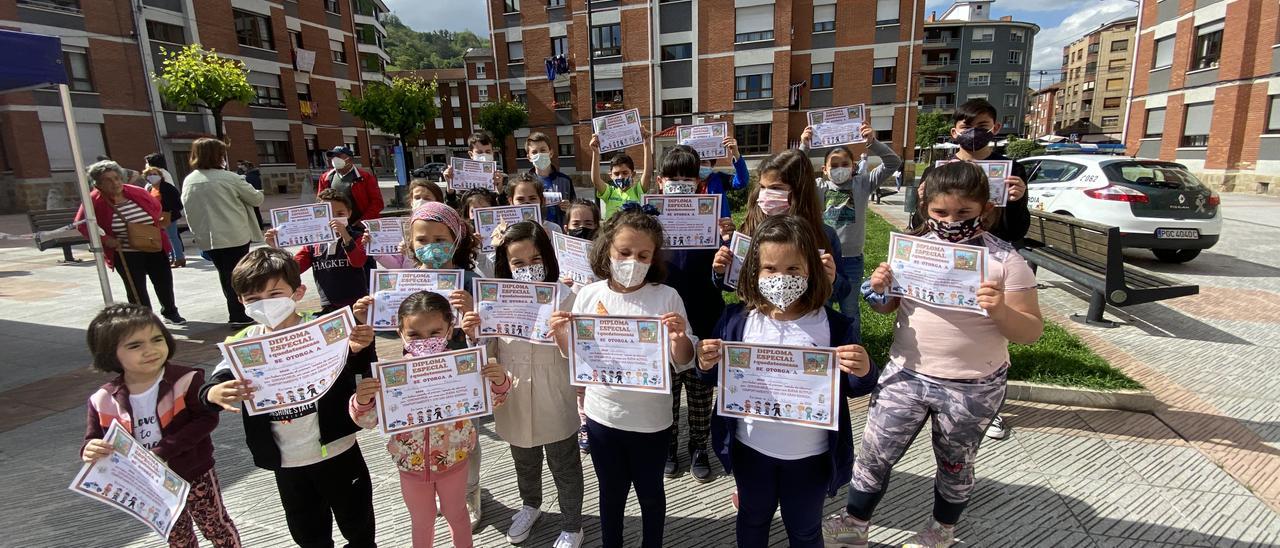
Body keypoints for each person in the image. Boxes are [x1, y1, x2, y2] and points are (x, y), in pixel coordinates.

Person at [822, 161, 1043, 548]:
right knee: (875, 452)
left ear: (985, 210)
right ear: (927, 209)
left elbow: (1031, 331)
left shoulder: (1006, 261)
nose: (951, 221)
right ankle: (855, 522)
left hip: (973, 385)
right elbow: (888, 308)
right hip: (906, 373)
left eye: (964, 213)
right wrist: (881, 288)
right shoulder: (913, 250)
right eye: (940, 212)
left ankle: (941, 532)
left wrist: (1000, 310)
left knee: (954, 463)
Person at [695, 215, 877, 548]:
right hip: (752, 450)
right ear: (753, 272)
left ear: (811, 269)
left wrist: (864, 369)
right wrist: (705, 362)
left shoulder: (833, 325)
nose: (782, 278)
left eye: (793, 269)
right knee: (752, 520)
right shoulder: (737, 320)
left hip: (810, 458)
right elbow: (712, 375)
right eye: (770, 269)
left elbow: (855, 387)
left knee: (805, 530)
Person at [199, 248, 378, 548]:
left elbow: (356, 365)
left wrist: (359, 348)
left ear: (298, 292)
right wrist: (214, 392)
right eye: (253, 298)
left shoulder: (323, 326)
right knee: (307, 530)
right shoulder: (242, 344)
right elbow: (215, 382)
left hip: (338, 449)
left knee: (358, 523)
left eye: (274, 294)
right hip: (286, 460)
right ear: (240, 301)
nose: (264, 304)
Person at [549, 209, 697, 548]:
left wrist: (678, 340)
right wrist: (560, 334)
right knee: (610, 494)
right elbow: (576, 354)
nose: (633, 261)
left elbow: (684, 360)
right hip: (604, 417)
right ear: (607, 252)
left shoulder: (666, 297)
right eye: (624, 253)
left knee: (651, 494)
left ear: (654, 257)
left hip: (652, 421)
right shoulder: (589, 294)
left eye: (644, 255)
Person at [909, 98, 1030, 441]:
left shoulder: (1009, 168)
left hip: (988, 263)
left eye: (982, 125)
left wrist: (1019, 199)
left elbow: (1018, 228)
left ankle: (987, 407)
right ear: (954, 132)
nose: (974, 133)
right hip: (943, 263)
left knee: (989, 330)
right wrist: (921, 202)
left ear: (995, 128)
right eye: (966, 126)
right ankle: (931, 396)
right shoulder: (939, 169)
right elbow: (924, 223)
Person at [351, 291, 511, 548]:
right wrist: (363, 400)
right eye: (414, 334)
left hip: (454, 461)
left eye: (435, 332)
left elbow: (493, 400)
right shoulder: (392, 376)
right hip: (410, 466)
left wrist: (500, 382)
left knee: (456, 513)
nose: (424, 341)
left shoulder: (465, 368)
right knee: (421, 520)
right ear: (401, 333)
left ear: (449, 330)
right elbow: (368, 420)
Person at [461, 221, 585, 548]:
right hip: (513, 392)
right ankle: (531, 506)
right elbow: (488, 352)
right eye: (518, 263)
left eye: (535, 260)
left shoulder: (567, 297)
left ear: (548, 258)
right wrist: (474, 331)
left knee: (565, 464)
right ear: (506, 264)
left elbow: (582, 355)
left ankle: (573, 525)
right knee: (524, 461)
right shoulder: (495, 298)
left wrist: (562, 334)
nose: (527, 269)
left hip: (554, 393)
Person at [361, 201, 483, 525]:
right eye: (423, 240)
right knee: (426, 436)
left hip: (459, 379)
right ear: (410, 244)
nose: (431, 247)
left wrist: (472, 310)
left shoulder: (470, 279)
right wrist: (369, 311)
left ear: (456, 239)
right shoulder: (404, 281)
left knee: (466, 437)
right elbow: (392, 329)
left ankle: (470, 493)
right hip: (417, 380)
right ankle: (439, 487)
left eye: (441, 240)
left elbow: (485, 333)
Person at [81, 304, 241, 548]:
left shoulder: (185, 380)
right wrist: (90, 449)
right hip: (149, 484)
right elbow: (93, 437)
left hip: (195, 473)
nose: (151, 350)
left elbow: (206, 418)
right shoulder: (103, 399)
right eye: (135, 345)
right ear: (110, 354)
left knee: (216, 526)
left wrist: (163, 451)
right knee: (177, 536)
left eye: (157, 339)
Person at [652, 145, 721, 483]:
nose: (680, 184)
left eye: (687, 178)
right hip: (664, 322)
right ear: (660, 181)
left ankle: (698, 446)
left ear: (699, 182)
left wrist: (726, 241)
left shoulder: (711, 223)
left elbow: (725, 279)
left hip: (704, 318)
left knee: (699, 392)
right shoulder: (650, 224)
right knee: (667, 393)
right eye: (673, 177)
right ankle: (668, 445)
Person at [801, 123, 902, 333]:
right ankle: (827, 344)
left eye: (844, 164)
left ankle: (852, 344)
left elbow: (893, 162)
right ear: (824, 169)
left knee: (850, 308)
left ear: (853, 166)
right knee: (823, 306)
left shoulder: (863, 184)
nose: (840, 169)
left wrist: (872, 142)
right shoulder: (818, 187)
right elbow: (795, 171)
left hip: (852, 259)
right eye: (834, 165)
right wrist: (805, 146)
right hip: (824, 258)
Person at [713, 150, 850, 304]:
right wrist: (720, 271)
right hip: (758, 319)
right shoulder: (751, 228)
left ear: (799, 191)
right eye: (763, 187)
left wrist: (834, 280)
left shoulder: (824, 235)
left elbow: (842, 292)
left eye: (776, 188)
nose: (766, 195)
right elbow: (731, 285)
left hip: (805, 322)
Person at [76, 160, 185, 325]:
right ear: (97, 183)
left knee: (163, 280)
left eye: (117, 178)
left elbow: (155, 206)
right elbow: (83, 225)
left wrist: (151, 224)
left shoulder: (136, 192)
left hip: (153, 244)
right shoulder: (94, 200)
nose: (115, 183)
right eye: (108, 180)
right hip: (126, 251)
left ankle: (170, 312)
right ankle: (145, 318)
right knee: (136, 288)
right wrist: (106, 239)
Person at [180, 138, 264, 326]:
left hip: (208, 237)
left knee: (225, 276)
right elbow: (256, 198)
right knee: (239, 275)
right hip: (234, 235)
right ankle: (240, 314)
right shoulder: (229, 178)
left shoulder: (190, 180)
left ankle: (237, 313)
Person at [264, 189, 369, 314]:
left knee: (360, 333)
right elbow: (295, 268)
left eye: (340, 214)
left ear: (349, 213)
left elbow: (358, 261)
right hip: (328, 303)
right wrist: (277, 248)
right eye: (328, 216)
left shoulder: (358, 237)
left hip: (356, 302)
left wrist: (345, 235)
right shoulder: (314, 243)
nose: (333, 220)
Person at [588, 129, 651, 219]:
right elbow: (596, 180)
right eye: (616, 174)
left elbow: (648, 174)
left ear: (633, 174)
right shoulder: (610, 192)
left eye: (625, 173)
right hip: (612, 232)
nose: (621, 177)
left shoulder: (637, 192)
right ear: (611, 176)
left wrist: (647, 144)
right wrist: (595, 153)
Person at [317, 146, 384, 225]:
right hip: (337, 226)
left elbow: (377, 202)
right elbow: (321, 202)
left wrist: (363, 221)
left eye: (338, 156)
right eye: (333, 156)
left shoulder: (365, 177)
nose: (335, 159)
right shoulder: (325, 178)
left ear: (350, 159)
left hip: (362, 225)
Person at [525, 132, 576, 226]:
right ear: (529, 157)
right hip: (534, 233)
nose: (539, 154)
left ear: (551, 153)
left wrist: (570, 207)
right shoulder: (524, 183)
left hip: (560, 232)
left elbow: (575, 209)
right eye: (534, 152)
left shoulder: (565, 180)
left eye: (543, 150)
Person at [694, 136, 751, 218]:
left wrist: (736, 154)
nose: (699, 166)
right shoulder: (686, 180)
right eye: (697, 162)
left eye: (704, 162)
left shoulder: (720, 179)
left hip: (720, 226)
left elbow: (742, 182)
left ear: (712, 165)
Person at [444, 131, 508, 202]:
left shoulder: (502, 179)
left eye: (487, 152)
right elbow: (455, 206)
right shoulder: (462, 178)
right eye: (479, 152)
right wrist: (450, 185)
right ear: (471, 155)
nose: (484, 156)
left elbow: (506, 207)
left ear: (493, 153)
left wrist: (500, 191)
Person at [142, 166, 187, 269]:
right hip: (155, 217)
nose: (152, 176)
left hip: (168, 216)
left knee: (172, 237)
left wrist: (169, 211)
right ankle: (170, 257)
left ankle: (179, 258)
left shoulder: (168, 187)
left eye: (155, 174)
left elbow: (178, 203)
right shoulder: (149, 188)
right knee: (163, 238)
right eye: (150, 174)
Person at [236, 161, 265, 228]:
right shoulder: (255, 174)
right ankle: (260, 225)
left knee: (253, 211)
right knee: (256, 210)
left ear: (246, 167)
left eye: (242, 166)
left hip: (251, 194)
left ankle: (258, 225)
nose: (241, 167)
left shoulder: (249, 176)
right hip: (256, 193)